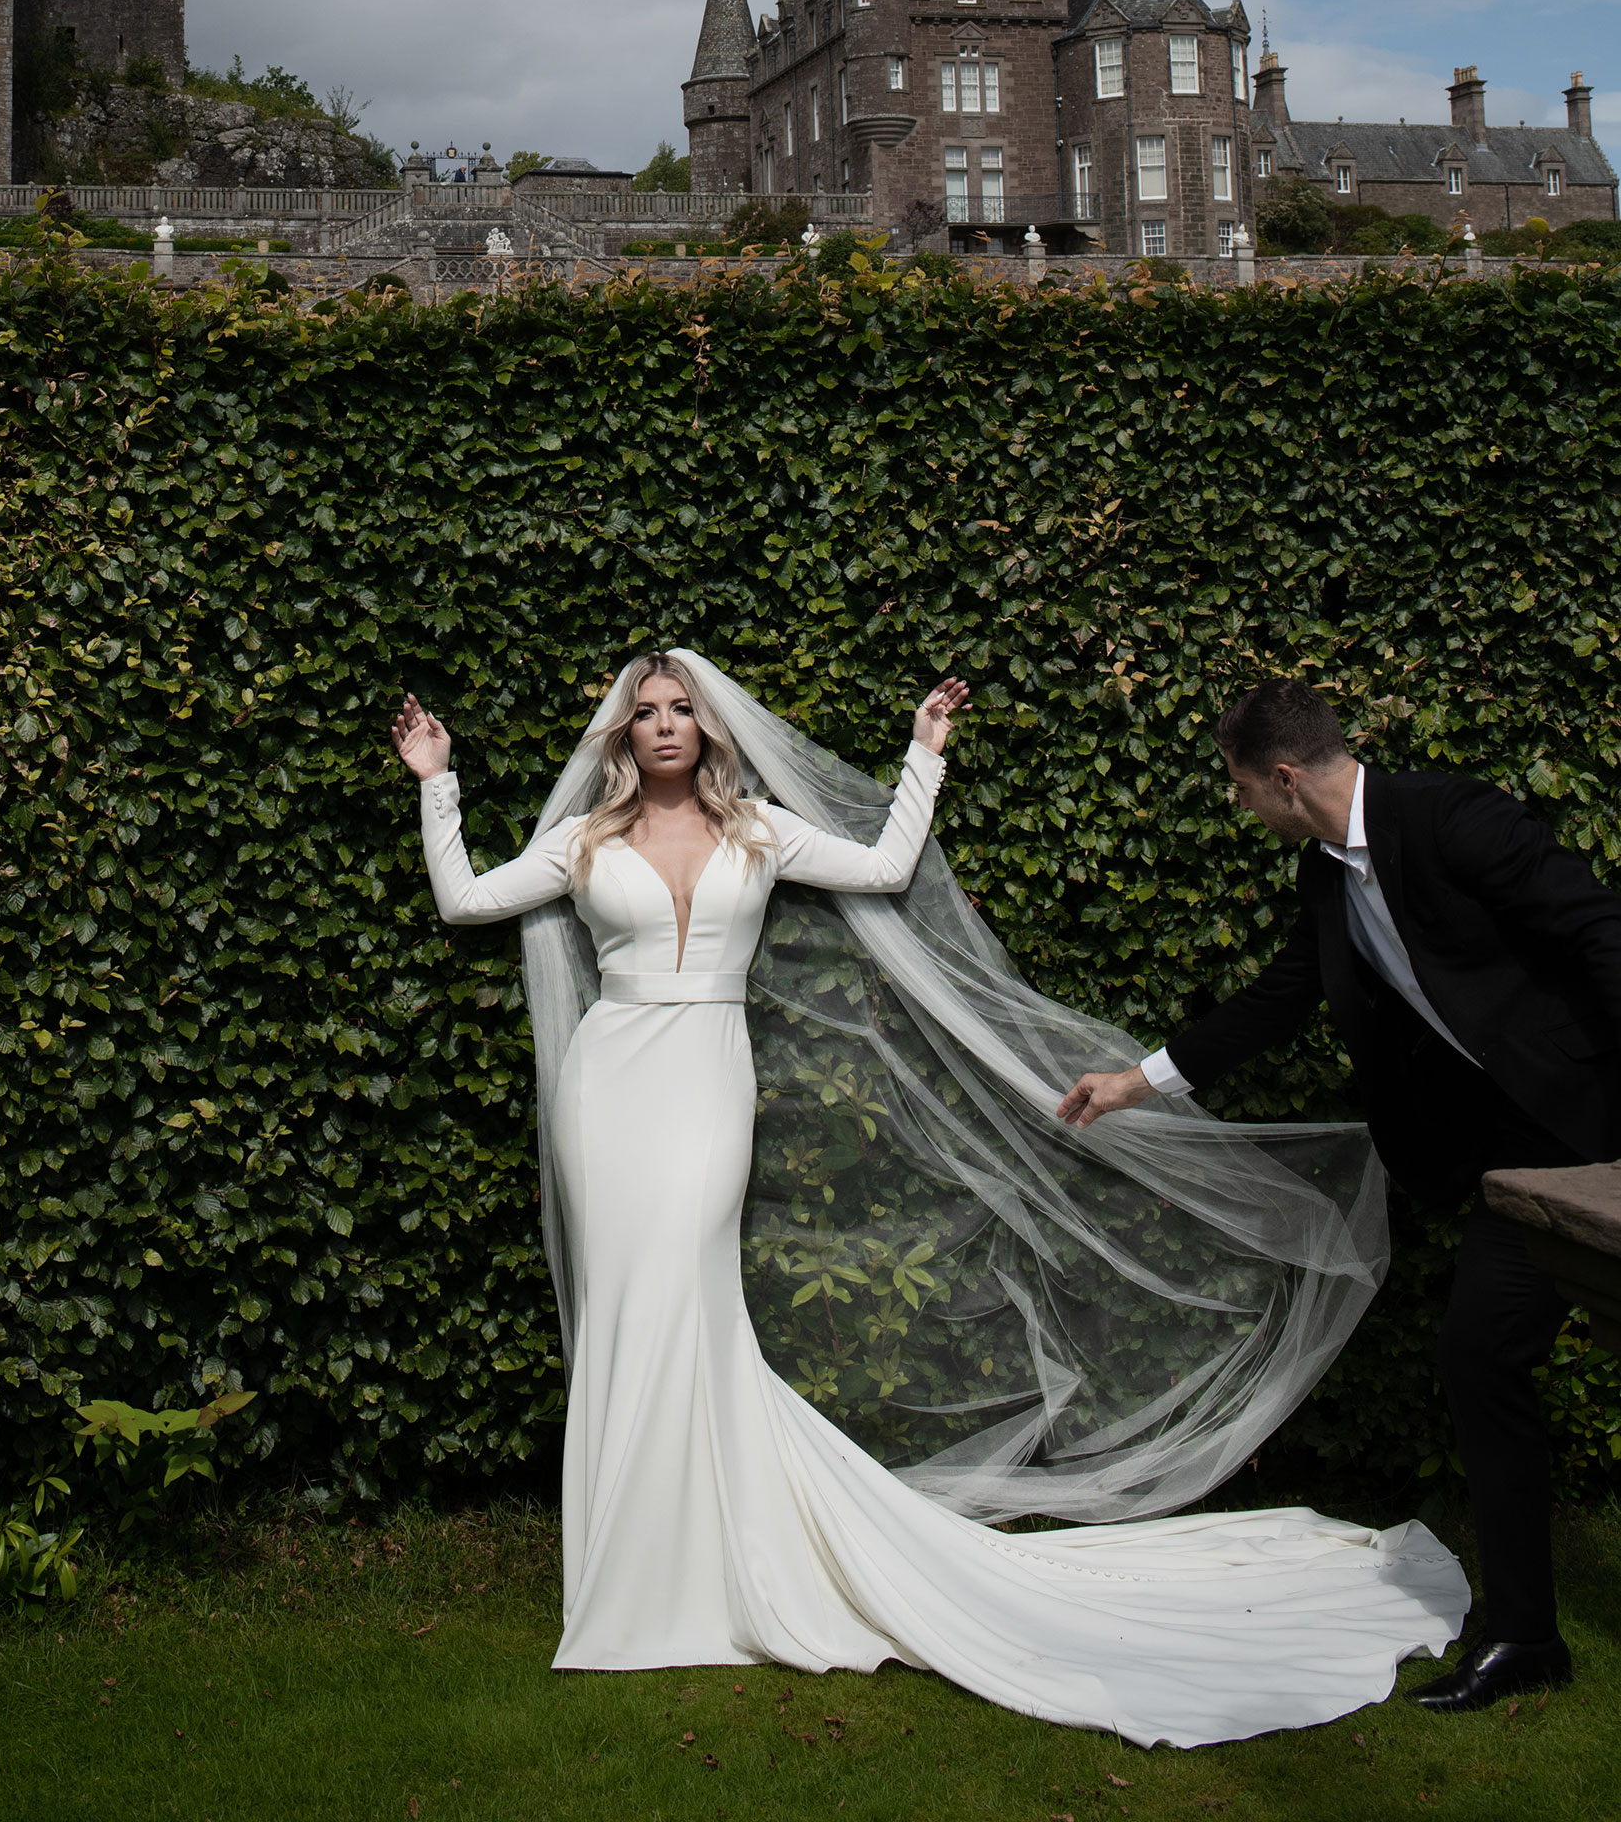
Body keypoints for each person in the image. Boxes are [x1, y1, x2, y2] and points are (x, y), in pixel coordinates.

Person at [393, 651, 1466, 1747]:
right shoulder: (583, 839)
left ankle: (693, 1563)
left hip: (708, 1083)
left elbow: (886, 865)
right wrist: (438, 777)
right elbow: (466, 896)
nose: (664, 725)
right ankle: (632, 1575)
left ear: (710, 730)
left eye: (682, 710)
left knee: (687, 1295)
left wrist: (921, 755)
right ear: (620, 735)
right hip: (607, 1085)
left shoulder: (761, 827)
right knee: (630, 1303)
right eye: (645, 713)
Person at [1059, 676, 1621, 1712]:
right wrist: (1138, 1080)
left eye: (1238, 787)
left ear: (1281, 778)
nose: (1238, 806)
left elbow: (1598, 927)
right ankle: (1526, 1635)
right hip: (1523, 1172)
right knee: (1478, 1352)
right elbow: (1283, 995)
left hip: (1594, 1125)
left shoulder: (1450, 817)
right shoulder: (1326, 881)